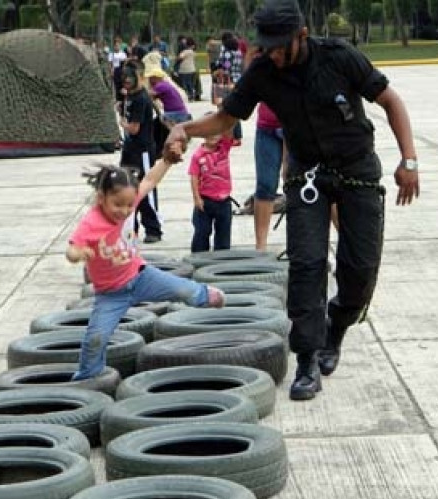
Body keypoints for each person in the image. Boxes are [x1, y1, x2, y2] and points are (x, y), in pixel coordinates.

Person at [162, 0, 420, 401]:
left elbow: (391, 101)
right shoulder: (264, 70)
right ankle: (307, 359)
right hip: (307, 176)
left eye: (281, 46)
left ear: (301, 35)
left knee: (360, 270)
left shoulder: (339, 57)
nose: (275, 54)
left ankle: (336, 327)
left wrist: (409, 160)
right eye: (268, 46)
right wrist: (184, 128)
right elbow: (226, 118)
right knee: (306, 264)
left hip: (357, 171)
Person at [67, 161, 226, 381]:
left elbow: (151, 179)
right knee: (96, 338)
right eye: (117, 204)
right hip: (110, 295)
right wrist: (80, 253)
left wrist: (167, 161)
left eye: (129, 205)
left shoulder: (129, 201)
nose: (124, 211)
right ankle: (88, 377)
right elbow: (71, 250)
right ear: (102, 198)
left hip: (141, 277)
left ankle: (205, 295)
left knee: (181, 290)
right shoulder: (91, 222)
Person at [119, 59, 162, 244]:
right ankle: (132, 228)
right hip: (130, 149)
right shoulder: (130, 96)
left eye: (131, 77)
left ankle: (153, 228)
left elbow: (135, 128)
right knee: (127, 187)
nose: (127, 81)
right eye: (124, 78)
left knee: (145, 190)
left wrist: (122, 123)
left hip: (142, 150)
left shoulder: (141, 98)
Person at [189, 121, 235, 252]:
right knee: (202, 232)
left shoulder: (224, 147)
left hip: (224, 200)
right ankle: (198, 258)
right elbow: (193, 177)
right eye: (209, 132)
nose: (213, 135)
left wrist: (225, 114)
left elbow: (229, 129)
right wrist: (196, 198)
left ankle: (221, 259)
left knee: (223, 234)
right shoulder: (198, 155)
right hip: (205, 200)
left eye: (216, 132)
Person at [253, 103, 284, 250]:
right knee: (265, 186)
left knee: (307, 187)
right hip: (267, 126)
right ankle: (260, 247)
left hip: (298, 125)